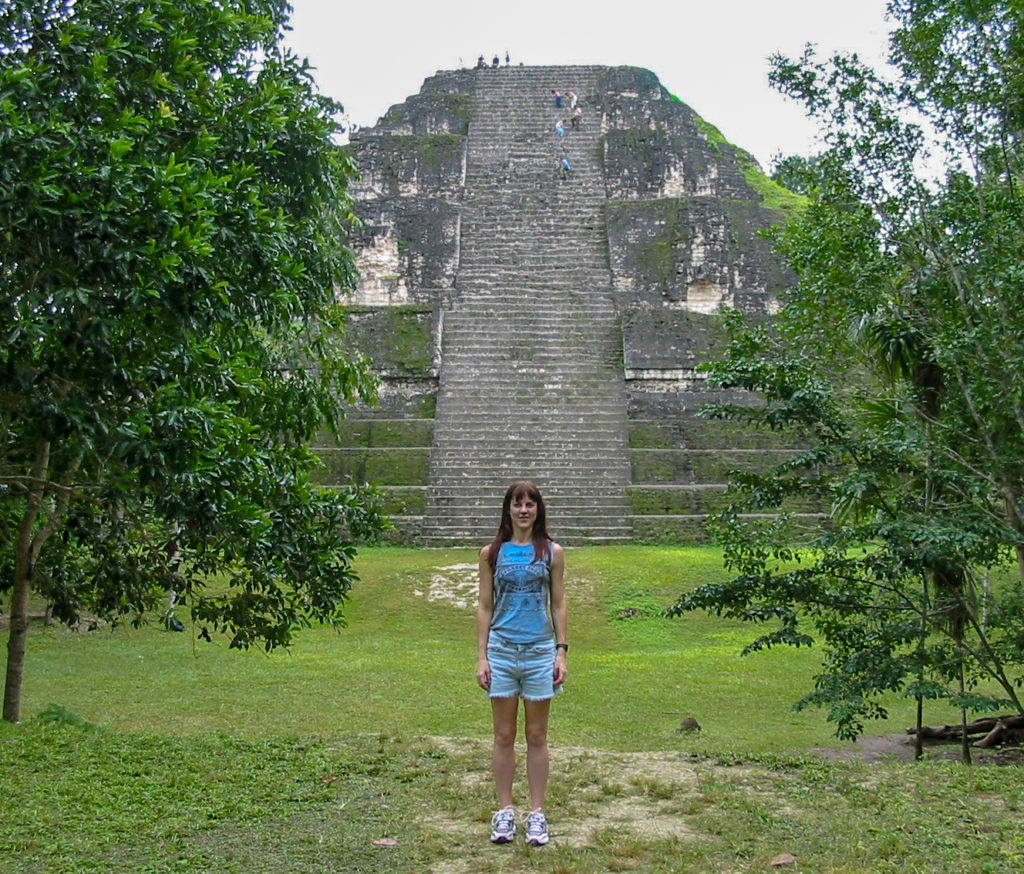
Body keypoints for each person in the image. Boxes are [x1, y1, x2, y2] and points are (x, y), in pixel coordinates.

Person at [476, 481, 567, 847]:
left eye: (530, 504)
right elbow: (484, 606)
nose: (524, 510)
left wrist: (561, 651)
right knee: (503, 735)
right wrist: (481, 655)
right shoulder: (491, 553)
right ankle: (504, 811)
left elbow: (558, 603)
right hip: (501, 649)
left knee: (537, 735)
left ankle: (537, 814)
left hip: (539, 650)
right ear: (508, 510)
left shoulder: (552, 552)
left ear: (538, 510)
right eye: (518, 504)